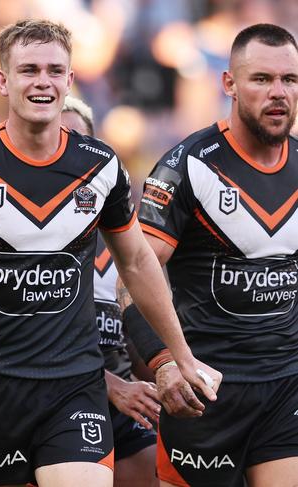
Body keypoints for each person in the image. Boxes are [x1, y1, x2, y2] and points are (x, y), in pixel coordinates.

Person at [0, 19, 219, 487]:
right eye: (29, 70)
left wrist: (181, 357)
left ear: (70, 79)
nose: (43, 81)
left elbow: (138, 264)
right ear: (3, 81)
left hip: (74, 388)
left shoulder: (100, 165)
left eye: (54, 71)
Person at [121, 23, 298, 487]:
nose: (278, 93)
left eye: (290, 80)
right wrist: (163, 363)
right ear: (230, 84)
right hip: (205, 393)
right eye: (261, 79)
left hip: (285, 387)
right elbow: (131, 279)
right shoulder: (188, 167)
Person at [61, 96, 158, 487]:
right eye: (55, 139)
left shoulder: (124, 243)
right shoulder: (18, 236)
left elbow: (138, 330)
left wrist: (168, 373)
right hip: (53, 393)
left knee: (156, 454)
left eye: (76, 141)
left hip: (121, 399)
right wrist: (112, 386)